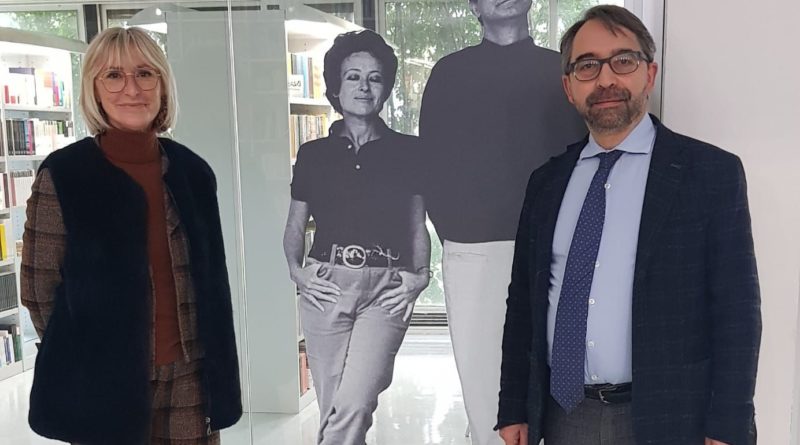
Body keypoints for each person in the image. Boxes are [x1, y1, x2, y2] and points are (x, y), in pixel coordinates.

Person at [496, 5, 761, 445]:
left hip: (671, 417)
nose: (605, 80)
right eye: (587, 66)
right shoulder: (546, 183)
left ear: (649, 74)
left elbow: (738, 311)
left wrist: (729, 424)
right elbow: (522, 303)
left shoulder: (709, 174)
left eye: (623, 61)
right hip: (565, 416)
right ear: (569, 87)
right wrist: (513, 407)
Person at [21, 27, 242, 445]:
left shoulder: (193, 172)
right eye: (113, 76)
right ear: (94, 89)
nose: (132, 89)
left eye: (144, 73)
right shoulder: (64, 175)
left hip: (191, 375)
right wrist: (87, 356)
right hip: (103, 380)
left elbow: (213, 281)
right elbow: (38, 290)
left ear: (162, 84)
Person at [418, 0, 586, 443]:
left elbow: (583, 153)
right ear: (473, 6)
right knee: (486, 394)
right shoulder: (450, 73)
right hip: (475, 248)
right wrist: (458, 232)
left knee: (561, 386)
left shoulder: (561, 70)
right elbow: (431, 162)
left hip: (558, 246)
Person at [283, 30, 430, 445]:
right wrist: (297, 272)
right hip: (326, 285)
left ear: (385, 89)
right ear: (335, 86)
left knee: (354, 404)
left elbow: (416, 223)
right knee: (334, 408)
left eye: (374, 78)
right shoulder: (313, 154)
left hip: (386, 288)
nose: (364, 87)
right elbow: (295, 224)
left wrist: (421, 276)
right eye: (353, 77)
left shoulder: (409, 151)